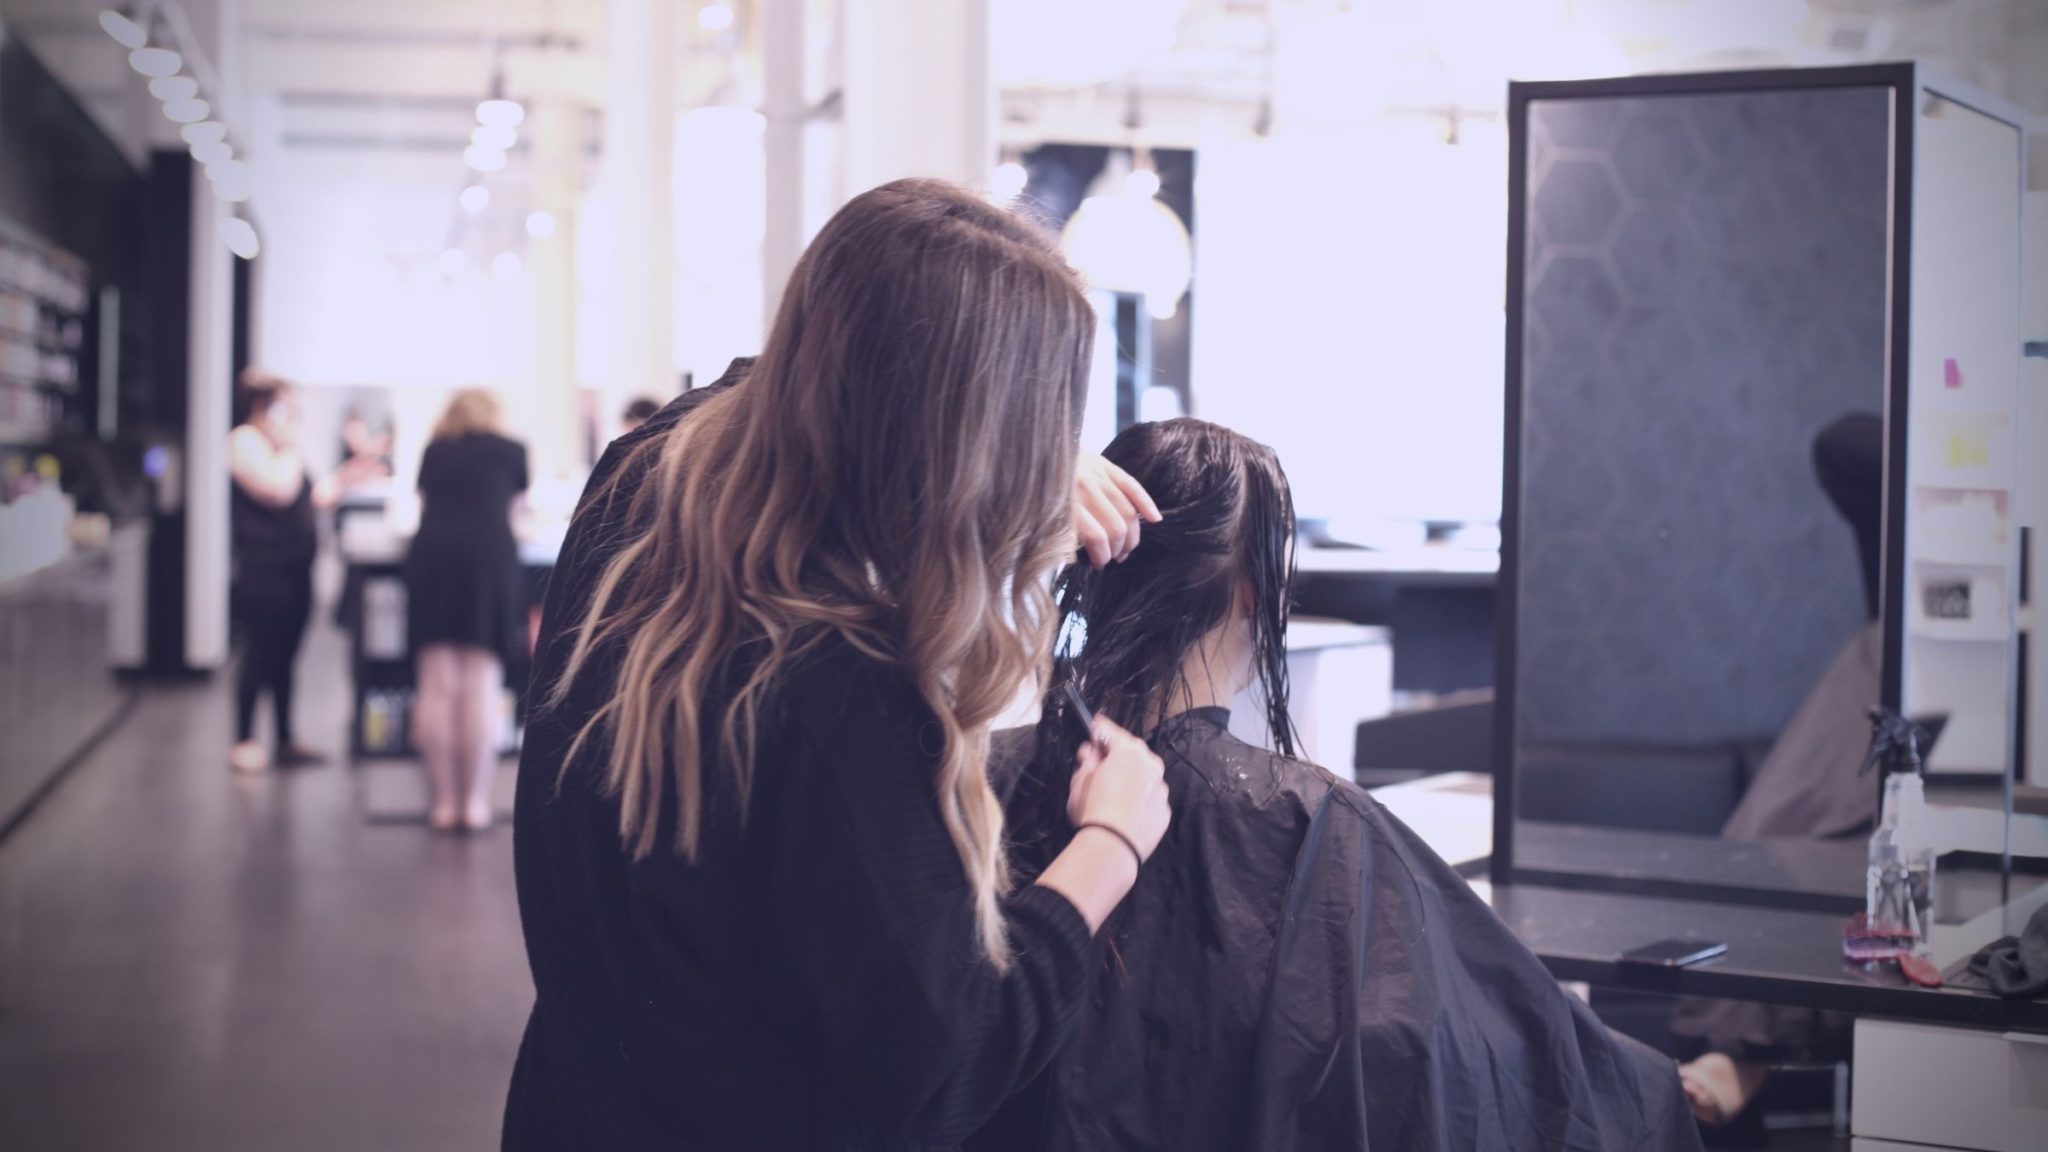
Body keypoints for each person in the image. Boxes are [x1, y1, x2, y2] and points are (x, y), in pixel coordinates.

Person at [503, 179, 1172, 1150]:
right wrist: (1108, 845)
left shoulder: (642, 487)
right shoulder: (839, 694)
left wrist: (999, 418)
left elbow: (793, 374)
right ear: (963, 442)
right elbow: (937, 1067)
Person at [975, 418, 1702, 1152]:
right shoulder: (1309, 822)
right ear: (1258, 594)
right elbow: (1498, 1068)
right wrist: (1652, 1082)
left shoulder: (979, 783)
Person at [228, 370, 380, 773]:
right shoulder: (246, 441)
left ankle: (284, 739)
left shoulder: (278, 449)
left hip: (295, 570)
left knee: (285, 657)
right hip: (264, 572)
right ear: (262, 405)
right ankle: (243, 739)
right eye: (284, 404)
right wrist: (290, 446)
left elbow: (309, 498)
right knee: (259, 654)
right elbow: (277, 490)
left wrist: (348, 476)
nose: (291, 414)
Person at [405, 389, 529, 832]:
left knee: (437, 685)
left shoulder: (435, 451)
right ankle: (474, 805)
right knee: (481, 684)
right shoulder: (512, 451)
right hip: (488, 562)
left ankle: (441, 805)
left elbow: (424, 505)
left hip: (433, 559)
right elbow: (515, 513)